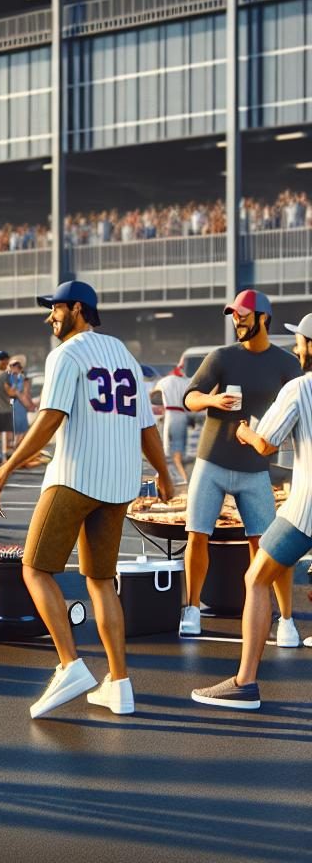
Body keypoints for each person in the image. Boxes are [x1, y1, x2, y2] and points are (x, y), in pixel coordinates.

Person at [0, 281, 175, 718]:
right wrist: (163, 473)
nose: (50, 315)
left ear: (79, 309)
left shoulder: (66, 354)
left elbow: (50, 419)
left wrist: (6, 468)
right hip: (120, 481)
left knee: (33, 568)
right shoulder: (123, 353)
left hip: (75, 476)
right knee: (101, 582)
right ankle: (119, 684)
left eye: (56, 307)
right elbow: (146, 426)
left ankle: (70, 665)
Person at [192, 313, 312, 708]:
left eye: (301, 342)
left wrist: (243, 430)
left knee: (256, 578)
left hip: (305, 508)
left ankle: (244, 683)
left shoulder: (299, 388)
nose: (296, 347)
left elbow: (265, 444)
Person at [180, 290, 302, 643]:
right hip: (212, 460)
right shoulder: (220, 356)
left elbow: (298, 407)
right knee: (197, 533)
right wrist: (211, 399)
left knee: (266, 544)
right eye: (234, 315)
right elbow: (189, 397)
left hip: (255, 466)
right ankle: (191, 608)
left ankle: (285, 619)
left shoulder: (285, 364)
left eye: (244, 315)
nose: (237, 320)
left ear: (263, 317)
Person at [153, 360, 190, 485]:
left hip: (170, 415)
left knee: (167, 448)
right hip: (183, 415)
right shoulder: (186, 381)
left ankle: (170, 476)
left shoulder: (164, 381)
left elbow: (153, 396)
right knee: (179, 448)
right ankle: (180, 476)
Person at [8, 355, 32, 450]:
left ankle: (18, 447)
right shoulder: (9, 378)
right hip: (13, 404)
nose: (14, 368)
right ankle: (15, 447)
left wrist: (29, 404)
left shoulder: (24, 379)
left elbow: (26, 393)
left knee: (22, 427)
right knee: (15, 427)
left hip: (21, 405)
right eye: (12, 366)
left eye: (16, 366)